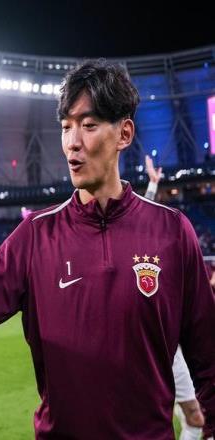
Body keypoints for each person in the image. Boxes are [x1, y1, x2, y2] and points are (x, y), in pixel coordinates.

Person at [0, 59, 215, 438]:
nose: (73, 142)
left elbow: (208, 358)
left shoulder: (172, 232)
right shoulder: (35, 234)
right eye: (65, 127)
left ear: (124, 133)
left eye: (88, 125)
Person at [145, 154, 205, 440]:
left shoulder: (180, 257)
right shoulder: (141, 251)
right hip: (143, 351)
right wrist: (153, 185)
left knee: (195, 417)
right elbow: (142, 216)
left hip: (174, 352)